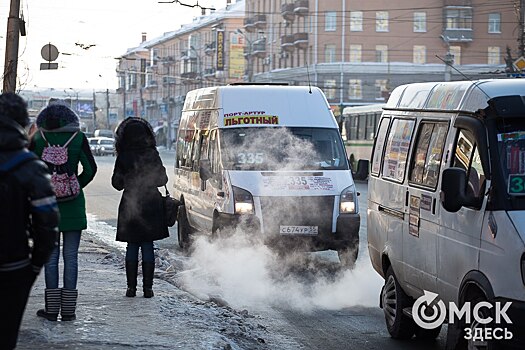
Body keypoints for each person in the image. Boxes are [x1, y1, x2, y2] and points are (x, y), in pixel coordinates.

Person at [0, 93, 59, 349]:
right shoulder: (30, 166)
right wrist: (33, 267)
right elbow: (47, 227)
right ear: (24, 123)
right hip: (13, 266)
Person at [30, 103, 97, 321]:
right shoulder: (78, 137)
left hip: (46, 206)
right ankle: (68, 310)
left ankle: (51, 310)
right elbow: (90, 169)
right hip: (74, 205)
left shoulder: (38, 138)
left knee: (50, 258)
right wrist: (74, 185)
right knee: (71, 257)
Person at [111, 117, 168, 298]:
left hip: (130, 202)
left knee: (132, 246)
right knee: (148, 245)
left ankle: (131, 288)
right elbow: (162, 180)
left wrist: (129, 178)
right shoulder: (152, 154)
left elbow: (117, 184)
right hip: (151, 202)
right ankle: (148, 289)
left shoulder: (124, 156)